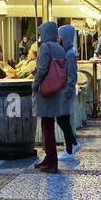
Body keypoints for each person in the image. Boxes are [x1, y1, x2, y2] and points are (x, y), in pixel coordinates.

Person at [32, 22, 71, 173]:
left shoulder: (45, 47)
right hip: (55, 90)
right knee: (48, 125)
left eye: (41, 32)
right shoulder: (60, 48)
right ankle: (48, 158)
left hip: (45, 91)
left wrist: (35, 85)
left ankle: (51, 162)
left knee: (46, 127)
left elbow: (42, 70)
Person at [56, 23, 80, 161]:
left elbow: (72, 75)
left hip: (66, 91)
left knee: (61, 119)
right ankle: (71, 148)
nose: (58, 39)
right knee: (63, 119)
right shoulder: (66, 52)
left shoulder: (70, 54)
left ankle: (72, 147)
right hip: (64, 90)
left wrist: (68, 92)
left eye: (60, 36)